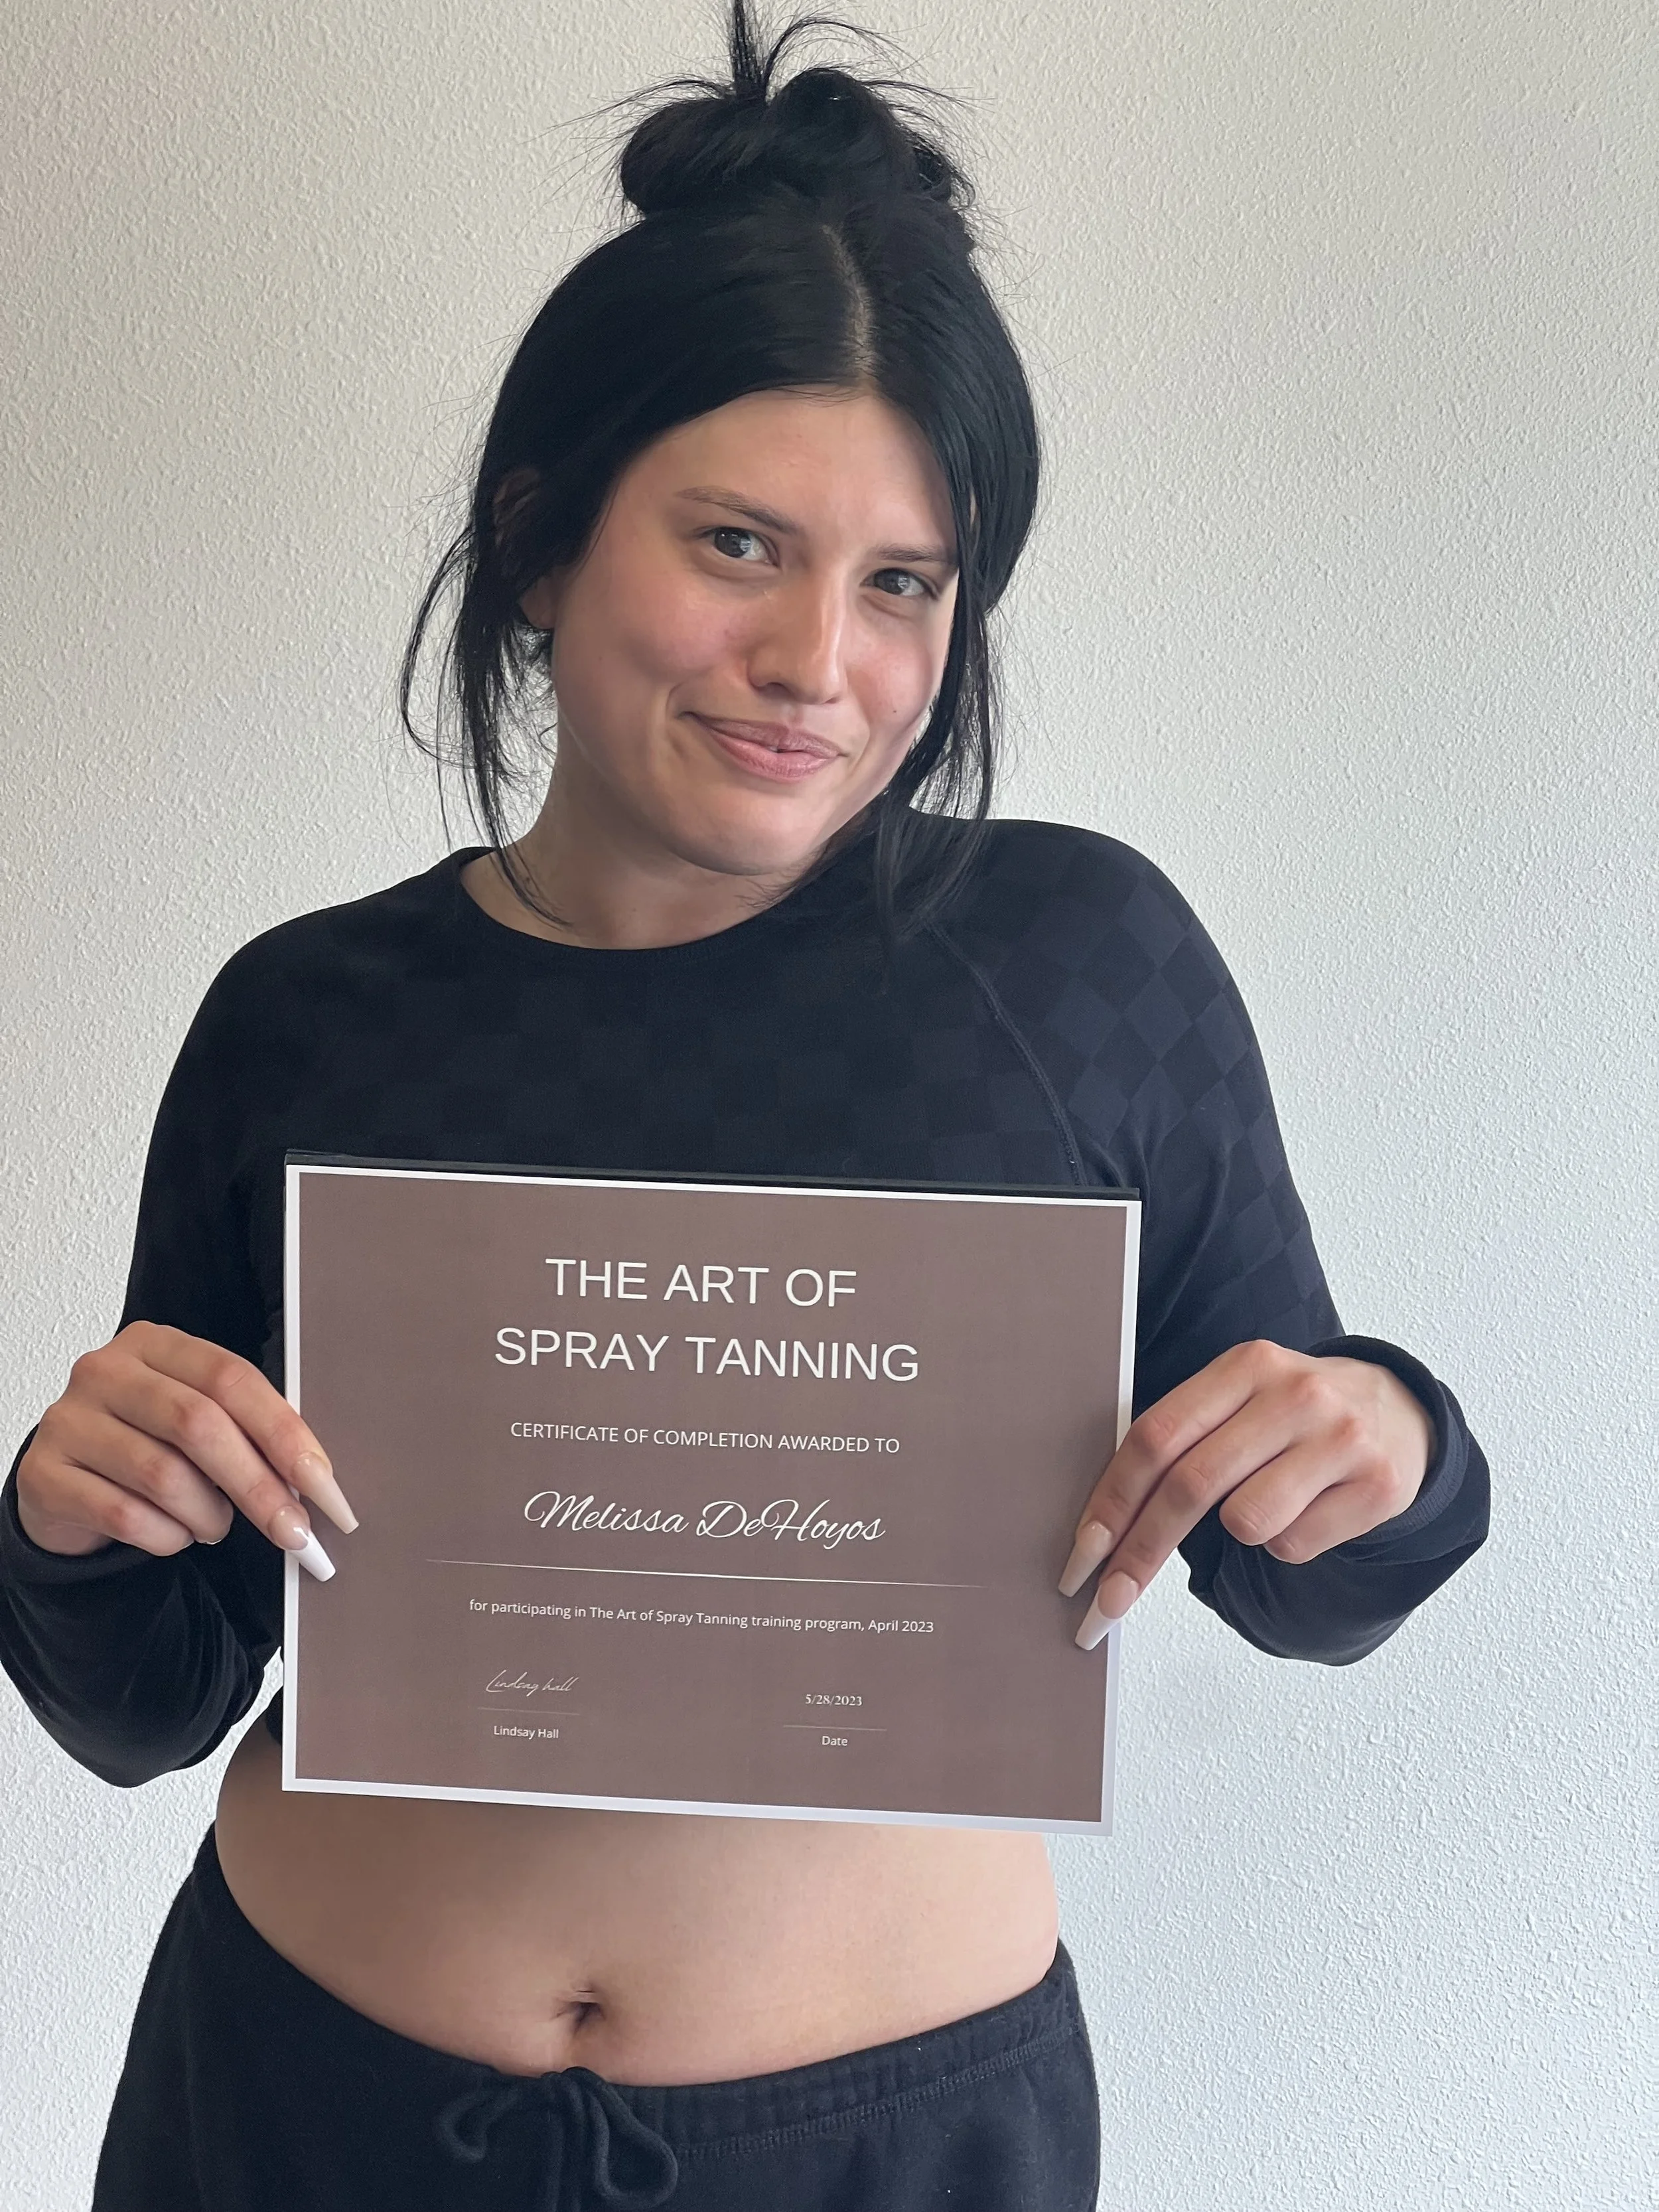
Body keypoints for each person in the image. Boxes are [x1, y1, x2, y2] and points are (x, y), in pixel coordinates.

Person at [0, 5, 1490, 2207]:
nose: (818, 660)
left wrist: (1385, 1440)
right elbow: (147, 1694)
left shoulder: (1075, 964)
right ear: (538, 540)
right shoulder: (305, 1015)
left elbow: (1312, 1580)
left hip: (879, 2143)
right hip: (302, 2101)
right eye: (732, 544)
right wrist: (67, 1514)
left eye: (901, 584)